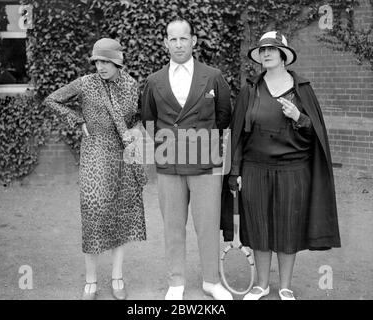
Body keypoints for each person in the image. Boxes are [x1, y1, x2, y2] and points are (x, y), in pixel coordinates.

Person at [221, 31, 341, 300]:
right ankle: (262, 285)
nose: (266, 53)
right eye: (262, 50)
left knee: (288, 229)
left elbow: (315, 134)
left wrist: (299, 116)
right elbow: (238, 133)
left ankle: (285, 287)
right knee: (260, 228)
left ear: (284, 54)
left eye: (272, 49)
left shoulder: (302, 91)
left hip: (293, 170)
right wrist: (235, 172)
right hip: (255, 169)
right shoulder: (249, 90)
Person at [44, 38, 147, 300]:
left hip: (123, 156)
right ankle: (90, 280)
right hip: (94, 153)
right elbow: (53, 100)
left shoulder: (131, 85)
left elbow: (135, 117)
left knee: (121, 216)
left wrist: (135, 129)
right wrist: (77, 120)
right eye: (97, 61)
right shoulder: (86, 83)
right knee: (93, 213)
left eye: (106, 61)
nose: (100, 66)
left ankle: (117, 277)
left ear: (117, 62)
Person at [141, 18, 233, 300]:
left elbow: (224, 115)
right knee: (173, 225)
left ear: (193, 41)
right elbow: (148, 119)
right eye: (173, 39)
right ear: (165, 42)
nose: (178, 44)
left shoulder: (213, 76)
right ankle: (176, 282)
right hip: (169, 162)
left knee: (207, 224)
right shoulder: (154, 80)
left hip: (205, 161)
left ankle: (211, 281)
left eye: (184, 38)